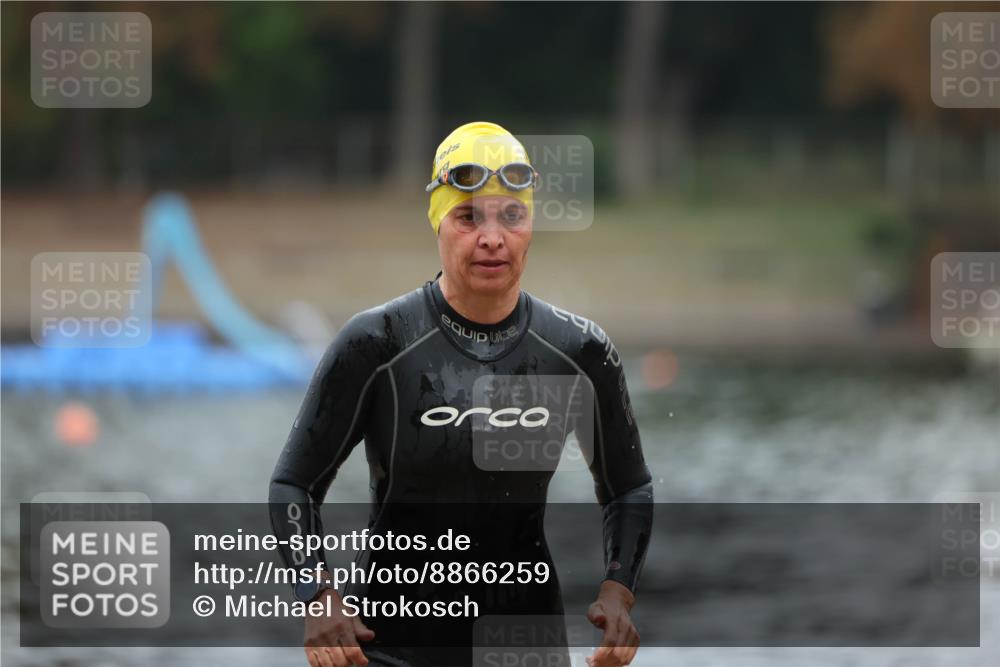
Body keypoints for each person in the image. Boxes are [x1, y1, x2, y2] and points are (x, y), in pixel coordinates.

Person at [269, 121, 653, 667]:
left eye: (511, 216)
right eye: (468, 216)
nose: (492, 237)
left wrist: (618, 591)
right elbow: (294, 485)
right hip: (390, 648)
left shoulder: (579, 351)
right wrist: (317, 595)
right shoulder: (377, 343)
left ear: (530, 225)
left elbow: (628, 489)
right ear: (439, 223)